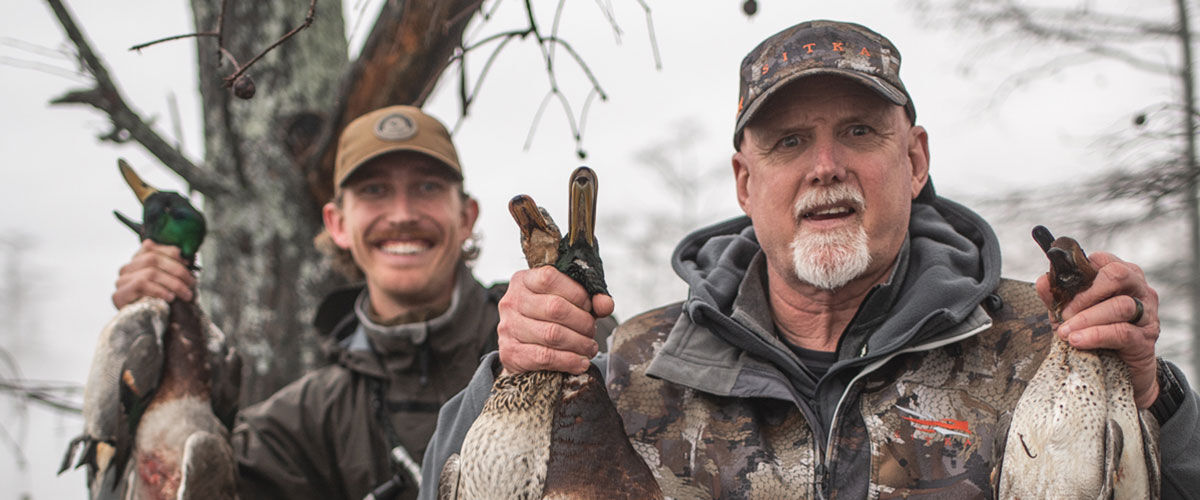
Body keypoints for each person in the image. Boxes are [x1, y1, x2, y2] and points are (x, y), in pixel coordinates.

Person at [420, 20, 1200, 498]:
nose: (825, 165)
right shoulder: (633, 369)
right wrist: (516, 371)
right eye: (789, 142)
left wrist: (1150, 397)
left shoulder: (1045, 347)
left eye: (859, 131)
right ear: (744, 179)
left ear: (916, 158)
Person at [111, 105, 614, 500]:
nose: (402, 213)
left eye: (426, 187)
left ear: (467, 217)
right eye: (374, 190)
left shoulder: (563, 333)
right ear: (337, 223)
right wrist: (155, 360)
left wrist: (547, 355)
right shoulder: (302, 421)